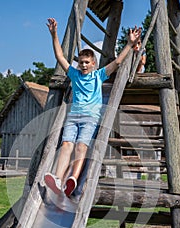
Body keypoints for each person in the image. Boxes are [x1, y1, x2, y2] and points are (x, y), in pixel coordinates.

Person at [45, 17, 141, 197]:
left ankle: (72, 178)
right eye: (81, 62)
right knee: (66, 144)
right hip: (73, 117)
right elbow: (60, 57)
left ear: (93, 63)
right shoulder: (74, 74)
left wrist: (129, 44)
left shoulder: (98, 76)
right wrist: (54, 34)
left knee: (81, 146)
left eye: (86, 62)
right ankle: (58, 179)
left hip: (90, 118)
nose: (83, 65)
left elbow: (118, 62)